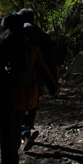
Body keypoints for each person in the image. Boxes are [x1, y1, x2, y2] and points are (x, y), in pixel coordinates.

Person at [0, 13, 57, 164]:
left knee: (5, 131)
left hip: (3, 93)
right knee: (16, 128)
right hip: (26, 94)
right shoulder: (29, 44)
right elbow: (42, 67)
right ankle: (14, 163)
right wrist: (53, 87)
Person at [15, 8, 59, 151]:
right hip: (39, 76)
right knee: (32, 103)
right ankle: (26, 130)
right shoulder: (44, 36)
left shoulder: (16, 34)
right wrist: (53, 83)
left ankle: (21, 132)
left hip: (18, 75)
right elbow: (51, 61)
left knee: (17, 103)